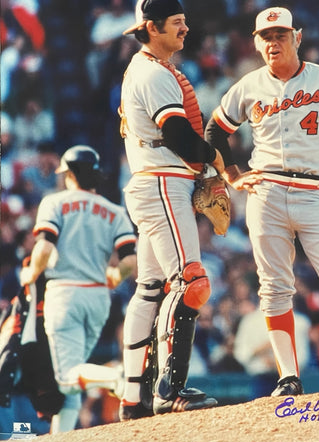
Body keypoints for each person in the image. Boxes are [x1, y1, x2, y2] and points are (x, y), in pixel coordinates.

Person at [205, 6, 319, 396]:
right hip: (266, 191)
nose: (274, 43)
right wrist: (231, 175)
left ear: (297, 37)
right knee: (273, 286)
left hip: (316, 191)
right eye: (266, 37)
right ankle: (288, 376)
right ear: (256, 43)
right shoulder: (248, 85)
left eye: (281, 35)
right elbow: (214, 131)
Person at [118, 0, 225, 419]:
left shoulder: (145, 69)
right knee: (191, 282)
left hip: (155, 181)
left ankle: (133, 399)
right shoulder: (152, 73)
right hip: (162, 182)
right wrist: (216, 161)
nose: (185, 29)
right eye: (177, 23)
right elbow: (179, 135)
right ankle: (170, 390)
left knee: (149, 289)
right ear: (152, 27)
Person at [19, 145, 138, 433]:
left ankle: (115, 378)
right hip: (98, 297)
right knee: (73, 377)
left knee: (66, 378)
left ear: (69, 174)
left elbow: (45, 248)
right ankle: (60, 440)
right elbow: (130, 261)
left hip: (65, 295)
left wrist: (30, 273)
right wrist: (114, 277)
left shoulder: (54, 202)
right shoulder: (115, 210)